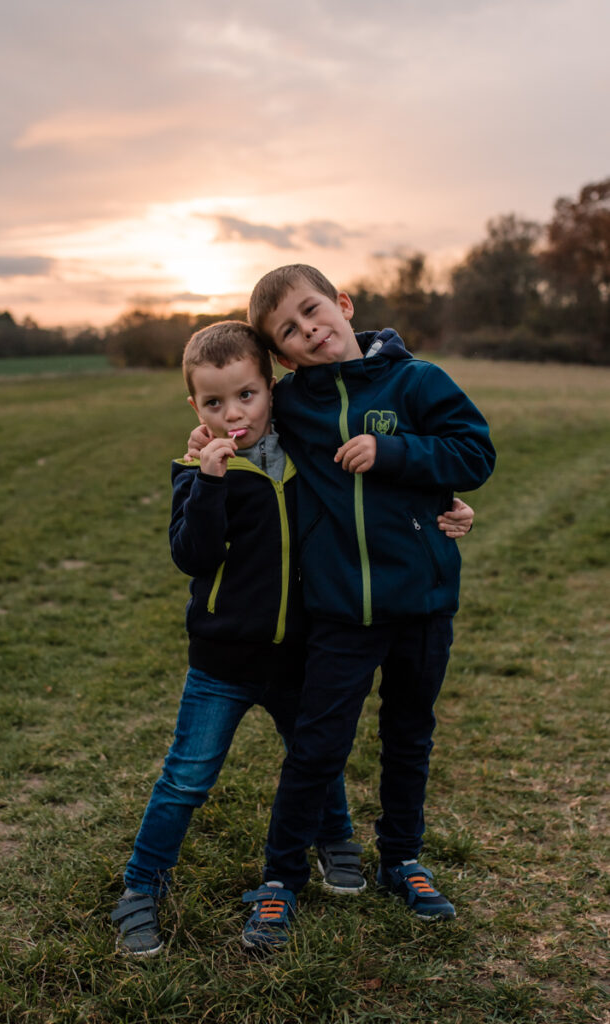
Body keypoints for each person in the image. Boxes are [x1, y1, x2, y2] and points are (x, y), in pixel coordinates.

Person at [112, 320, 475, 956]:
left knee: (317, 757)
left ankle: (338, 843)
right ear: (193, 407)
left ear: (272, 390)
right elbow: (192, 557)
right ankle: (142, 883)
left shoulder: (306, 457)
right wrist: (208, 481)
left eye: (246, 395)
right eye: (214, 403)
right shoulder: (196, 470)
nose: (233, 415)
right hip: (222, 662)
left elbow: (371, 500)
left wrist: (450, 508)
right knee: (187, 777)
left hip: (302, 655)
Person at [236, 264, 495, 953]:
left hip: (423, 604)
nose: (308, 330)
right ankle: (280, 879)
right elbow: (242, 422)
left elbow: (475, 452)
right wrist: (204, 448)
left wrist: (395, 452)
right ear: (283, 353)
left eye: (313, 310)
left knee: (410, 735)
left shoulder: (419, 382)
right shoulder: (294, 405)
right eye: (288, 331)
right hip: (341, 612)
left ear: (343, 304)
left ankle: (402, 860)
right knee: (317, 746)